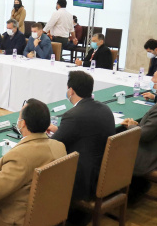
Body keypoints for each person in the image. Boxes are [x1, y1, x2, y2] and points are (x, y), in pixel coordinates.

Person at [48, 71, 115, 205]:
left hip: (85, 180)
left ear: (71, 91)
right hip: (107, 173)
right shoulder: (105, 109)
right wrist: (59, 129)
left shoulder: (73, 115)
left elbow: (53, 144)